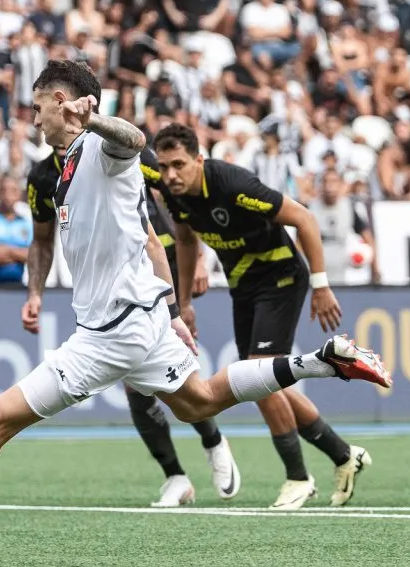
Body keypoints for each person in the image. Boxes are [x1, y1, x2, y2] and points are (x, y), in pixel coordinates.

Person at [0, 61, 391, 564]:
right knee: (199, 402)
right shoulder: (61, 169)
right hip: (144, 319)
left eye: (38, 107)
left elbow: (134, 139)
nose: (33, 119)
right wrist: (172, 309)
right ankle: (324, 361)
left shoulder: (99, 150)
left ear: (63, 102)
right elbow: (151, 240)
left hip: (110, 333)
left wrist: (95, 118)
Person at [153, 122, 375, 511]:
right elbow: (187, 242)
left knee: (256, 372)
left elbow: (303, 217)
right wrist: (184, 302)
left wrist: (321, 286)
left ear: (198, 161)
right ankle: (343, 455)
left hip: (282, 275)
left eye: (178, 165)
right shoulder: (175, 195)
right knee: (260, 381)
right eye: (164, 166)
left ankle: (297, 478)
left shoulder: (232, 184)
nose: (170, 174)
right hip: (245, 284)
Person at [25, 139, 237, 508]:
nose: (42, 120)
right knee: (137, 385)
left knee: (176, 377)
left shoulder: (115, 150)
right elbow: (42, 241)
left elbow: (176, 190)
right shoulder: (43, 177)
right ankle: (176, 475)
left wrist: (196, 257)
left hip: (159, 264)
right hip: (114, 283)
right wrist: (35, 294)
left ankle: (212, 440)